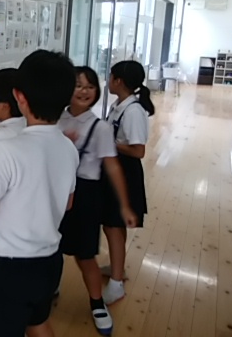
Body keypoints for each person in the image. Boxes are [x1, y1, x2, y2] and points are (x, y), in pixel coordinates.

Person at [0, 50, 79, 337]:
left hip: (9, 268)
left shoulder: (7, 150)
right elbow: (67, 204)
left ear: (20, 97)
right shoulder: (68, 147)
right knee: (37, 322)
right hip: (49, 261)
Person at [57, 66, 137, 334]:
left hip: (85, 196)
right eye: (78, 85)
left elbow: (112, 167)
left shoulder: (100, 127)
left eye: (90, 86)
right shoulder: (55, 119)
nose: (84, 91)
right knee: (51, 248)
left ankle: (97, 303)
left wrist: (124, 205)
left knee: (85, 256)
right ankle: (48, 289)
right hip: (56, 192)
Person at [100, 60, 155, 305]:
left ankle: (116, 284)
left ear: (118, 81)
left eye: (111, 77)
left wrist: (110, 143)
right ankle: (117, 268)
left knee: (113, 226)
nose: (108, 81)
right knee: (112, 224)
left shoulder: (133, 111)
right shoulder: (120, 105)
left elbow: (138, 151)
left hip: (125, 171)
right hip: (115, 168)